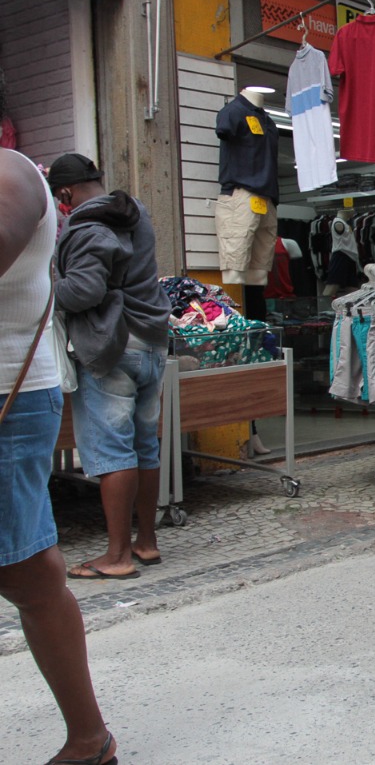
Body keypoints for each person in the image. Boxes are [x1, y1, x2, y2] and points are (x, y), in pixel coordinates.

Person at [0, 149, 117, 765]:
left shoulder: (13, 174)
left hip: (21, 387)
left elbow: (90, 289)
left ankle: (89, 737)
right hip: (82, 363)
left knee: (25, 568)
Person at [50, 154, 171, 581]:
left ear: (64, 194)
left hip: (112, 345)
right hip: (152, 342)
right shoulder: (135, 211)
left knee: (112, 452)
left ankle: (117, 556)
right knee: (144, 447)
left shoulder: (86, 227)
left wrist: (46, 289)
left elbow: (83, 290)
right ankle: (147, 544)